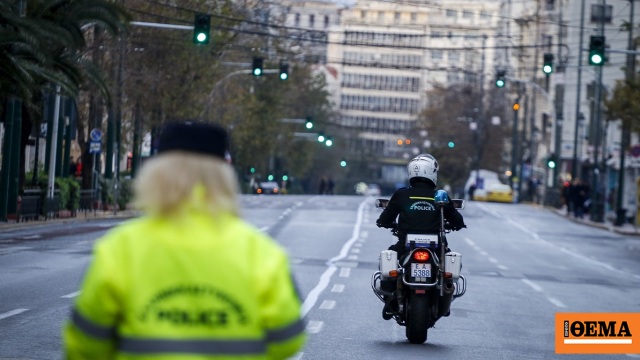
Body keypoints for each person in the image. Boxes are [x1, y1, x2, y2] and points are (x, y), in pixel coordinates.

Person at [63, 121, 306, 359]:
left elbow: (85, 344)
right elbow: (288, 340)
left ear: (155, 174)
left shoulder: (121, 247)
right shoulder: (262, 253)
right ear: (224, 177)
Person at [375, 154, 466, 318]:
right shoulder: (440, 196)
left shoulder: (402, 194)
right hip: (437, 247)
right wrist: (457, 224)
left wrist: (384, 222)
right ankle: (445, 297)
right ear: (432, 172)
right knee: (448, 268)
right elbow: (457, 220)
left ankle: (390, 300)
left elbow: (385, 218)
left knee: (390, 260)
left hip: (405, 246)